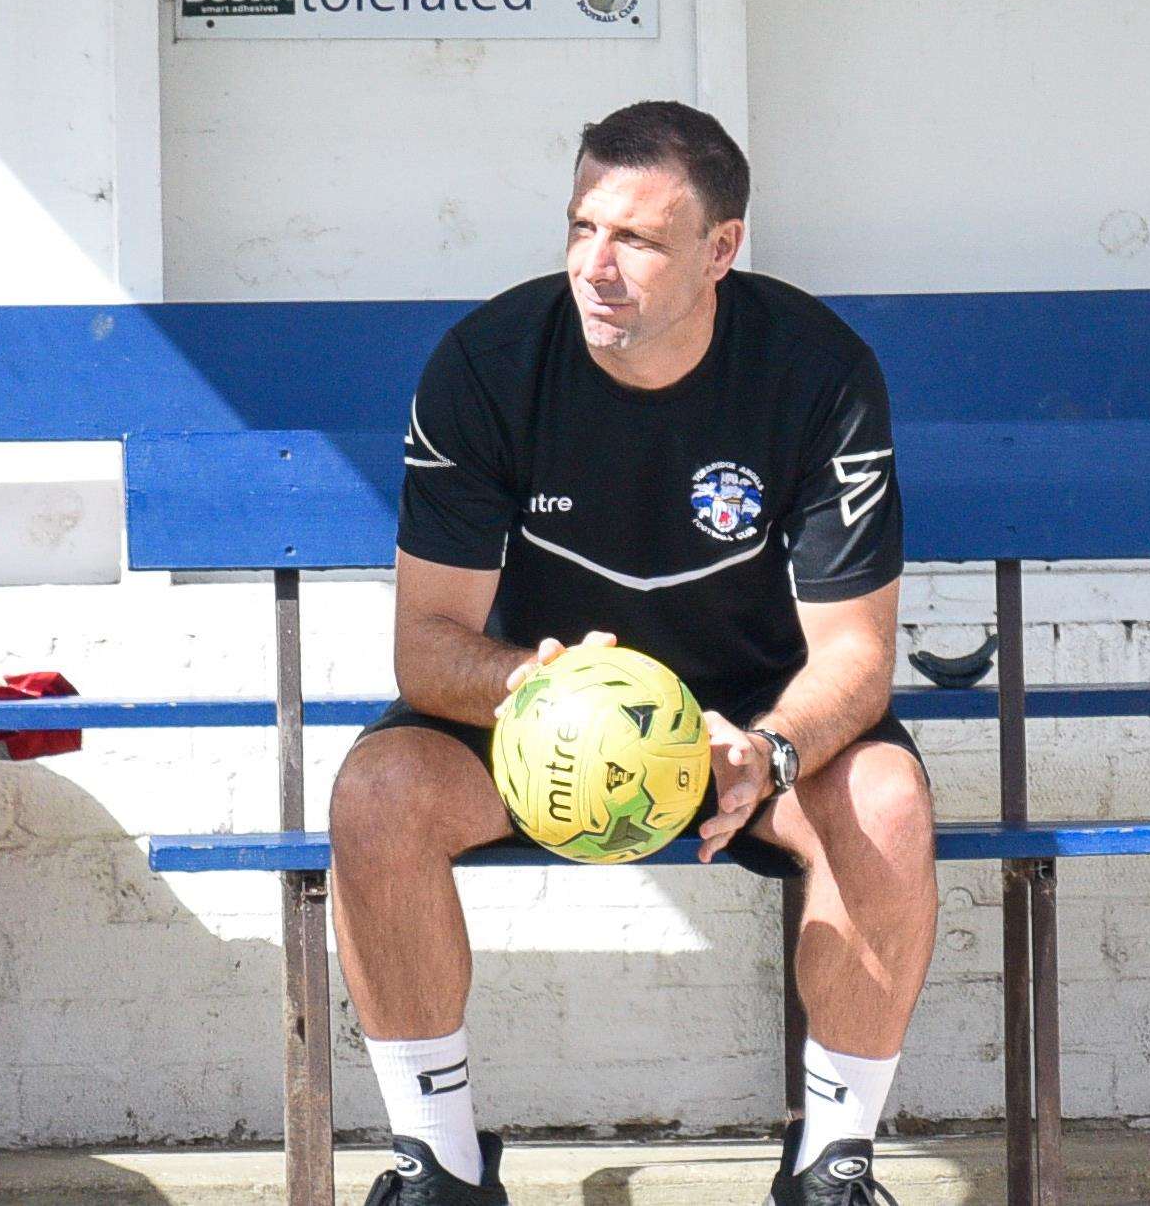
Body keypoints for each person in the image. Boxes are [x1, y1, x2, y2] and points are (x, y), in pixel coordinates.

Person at [335, 100, 937, 1206]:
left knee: (889, 799)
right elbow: (427, 647)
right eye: (581, 227)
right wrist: (540, 685)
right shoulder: (487, 366)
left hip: (749, 727)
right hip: (541, 722)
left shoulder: (818, 372)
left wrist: (769, 749)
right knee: (377, 795)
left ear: (721, 249)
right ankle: (441, 1165)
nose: (595, 267)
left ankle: (832, 1168)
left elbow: (856, 652)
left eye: (638, 240)